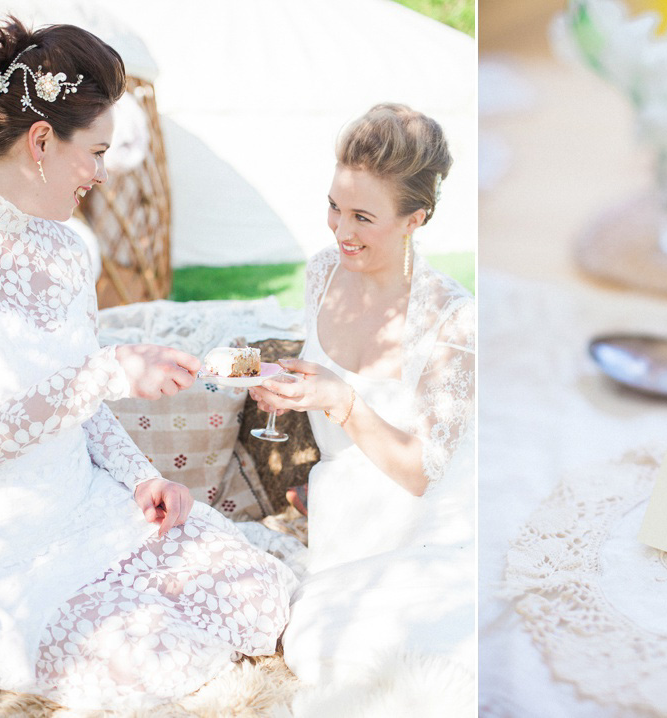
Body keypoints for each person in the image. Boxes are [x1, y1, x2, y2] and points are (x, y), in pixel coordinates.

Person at [0, 19, 296, 708]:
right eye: (94, 151)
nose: (102, 173)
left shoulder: (70, 251)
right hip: (16, 552)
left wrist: (142, 481)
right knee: (164, 657)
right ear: (41, 142)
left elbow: (81, 402)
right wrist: (107, 371)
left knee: (259, 598)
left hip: (92, 508)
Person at [249, 104, 475, 685]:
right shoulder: (322, 272)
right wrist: (290, 390)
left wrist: (340, 401)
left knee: (386, 664)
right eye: (333, 206)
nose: (340, 231)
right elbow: (322, 382)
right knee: (320, 643)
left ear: (413, 219)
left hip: (428, 531)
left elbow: (424, 472)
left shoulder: (453, 318)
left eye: (362, 217)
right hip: (339, 517)